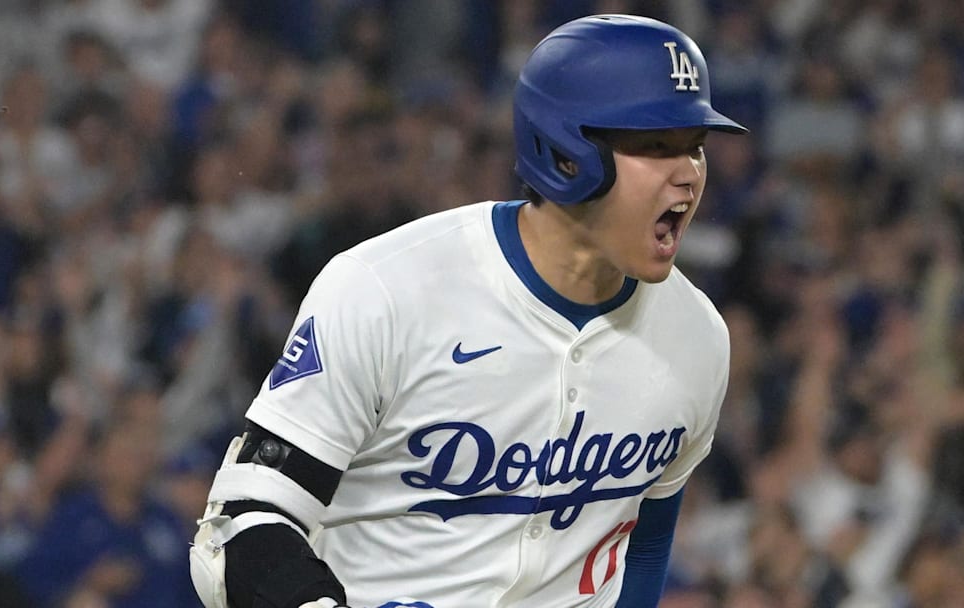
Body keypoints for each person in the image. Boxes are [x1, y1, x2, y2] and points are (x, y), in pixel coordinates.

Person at [190, 14, 748, 608]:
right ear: (566, 155)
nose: (688, 174)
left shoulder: (697, 337)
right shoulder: (386, 290)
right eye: (657, 146)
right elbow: (242, 525)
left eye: (695, 147)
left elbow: (643, 544)